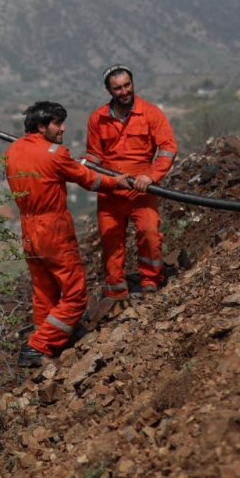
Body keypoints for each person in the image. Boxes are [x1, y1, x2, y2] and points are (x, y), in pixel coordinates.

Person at [4, 101, 129, 368]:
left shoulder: (12, 151)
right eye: (57, 124)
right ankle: (37, 345)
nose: (63, 128)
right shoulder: (55, 154)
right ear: (41, 127)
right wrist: (116, 182)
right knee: (75, 294)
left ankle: (55, 338)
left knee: (44, 291)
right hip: (53, 229)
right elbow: (89, 179)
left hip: (27, 229)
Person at [84, 64, 177, 302]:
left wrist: (151, 176)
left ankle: (150, 281)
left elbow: (167, 149)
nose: (124, 91)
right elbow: (94, 154)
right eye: (118, 88)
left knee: (149, 232)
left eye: (127, 85)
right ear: (108, 90)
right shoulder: (98, 118)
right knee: (111, 241)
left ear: (133, 84)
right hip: (110, 189)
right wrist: (84, 165)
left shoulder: (151, 113)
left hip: (141, 188)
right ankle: (116, 292)